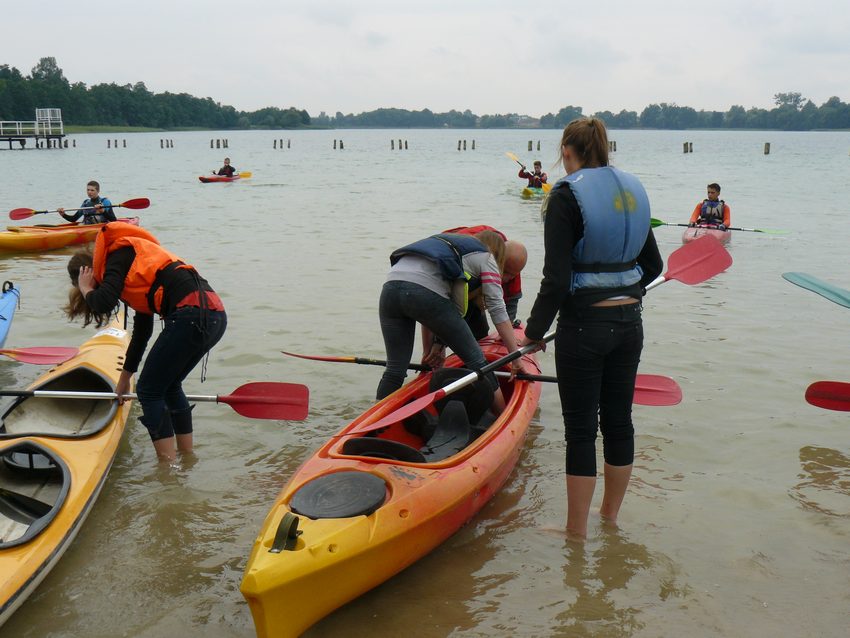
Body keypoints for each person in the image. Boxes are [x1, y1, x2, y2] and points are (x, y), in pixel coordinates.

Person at [519, 117, 663, 539]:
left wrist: (532, 335)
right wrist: (626, 290)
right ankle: (610, 519)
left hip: (583, 328)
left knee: (580, 430)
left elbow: (556, 280)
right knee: (619, 422)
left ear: (567, 151)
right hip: (629, 324)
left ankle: (575, 532)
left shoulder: (566, 196)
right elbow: (653, 266)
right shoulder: (633, 190)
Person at [64, 224, 227, 462]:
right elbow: (141, 333)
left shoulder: (118, 256)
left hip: (190, 315)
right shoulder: (136, 268)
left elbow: (103, 302)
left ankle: (168, 469)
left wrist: (85, 287)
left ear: (88, 273)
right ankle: (187, 458)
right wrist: (122, 382)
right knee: (169, 387)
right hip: (214, 316)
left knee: (149, 391)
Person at [377, 230, 522, 413]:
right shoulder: (487, 257)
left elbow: (432, 310)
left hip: (390, 289)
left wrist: (433, 348)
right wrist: (515, 357)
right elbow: (498, 310)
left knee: (395, 370)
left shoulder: (448, 244)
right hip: (423, 295)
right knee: (479, 364)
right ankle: (503, 416)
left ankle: (370, 425)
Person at [443, 225, 528, 336]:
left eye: (513, 275)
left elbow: (511, 299)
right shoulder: (480, 256)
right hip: (451, 269)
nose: (506, 278)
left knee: (481, 329)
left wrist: (507, 328)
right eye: (505, 272)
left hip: (476, 279)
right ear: (499, 261)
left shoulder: (513, 263)